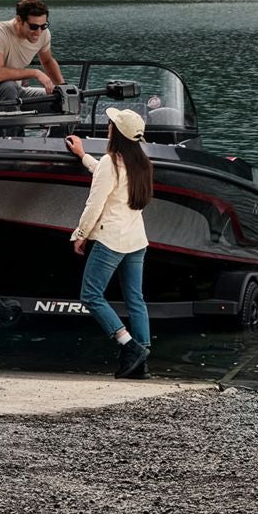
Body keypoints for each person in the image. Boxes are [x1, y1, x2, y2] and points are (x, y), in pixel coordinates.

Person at [64, 107, 154, 379]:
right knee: (135, 299)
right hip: (136, 239)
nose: (108, 127)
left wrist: (80, 234)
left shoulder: (110, 163)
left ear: (117, 134)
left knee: (91, 295)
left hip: (111, 240)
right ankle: (143, 358)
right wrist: (84, 157)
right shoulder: (142, 163)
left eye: (112, 124)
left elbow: (95, 203)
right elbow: (106, 177)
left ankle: (128, 345)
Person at [0, 0, 65, 106]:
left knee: (62, 96)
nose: (38, 32)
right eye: (33, 27)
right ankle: (12, 122)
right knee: (8, 86)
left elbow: (47, 61)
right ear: (19, 20)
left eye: (44, 26)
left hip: (16, 92)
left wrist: (63, 87)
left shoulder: (44, 34)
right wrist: (35, 73)